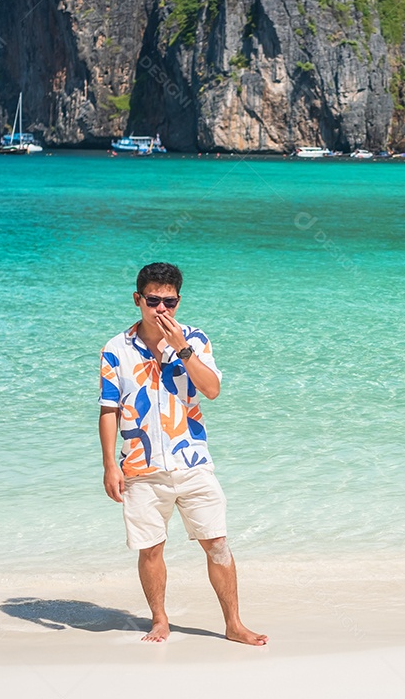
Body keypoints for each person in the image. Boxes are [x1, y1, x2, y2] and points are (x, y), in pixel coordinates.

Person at [98, 262, 267, 645]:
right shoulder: (115, 349)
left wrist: (182, 349)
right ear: (138, 299)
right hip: (141, 466)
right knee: (151, 549)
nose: (162, 309)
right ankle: (159, 619)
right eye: (153, 300)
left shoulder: (196, 340)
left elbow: (211, 390)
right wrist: (110, 464)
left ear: (178, 300)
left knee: (217, 543)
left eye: (169, 302)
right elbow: (108, 410)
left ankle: (233, 623)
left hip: (192, 461)